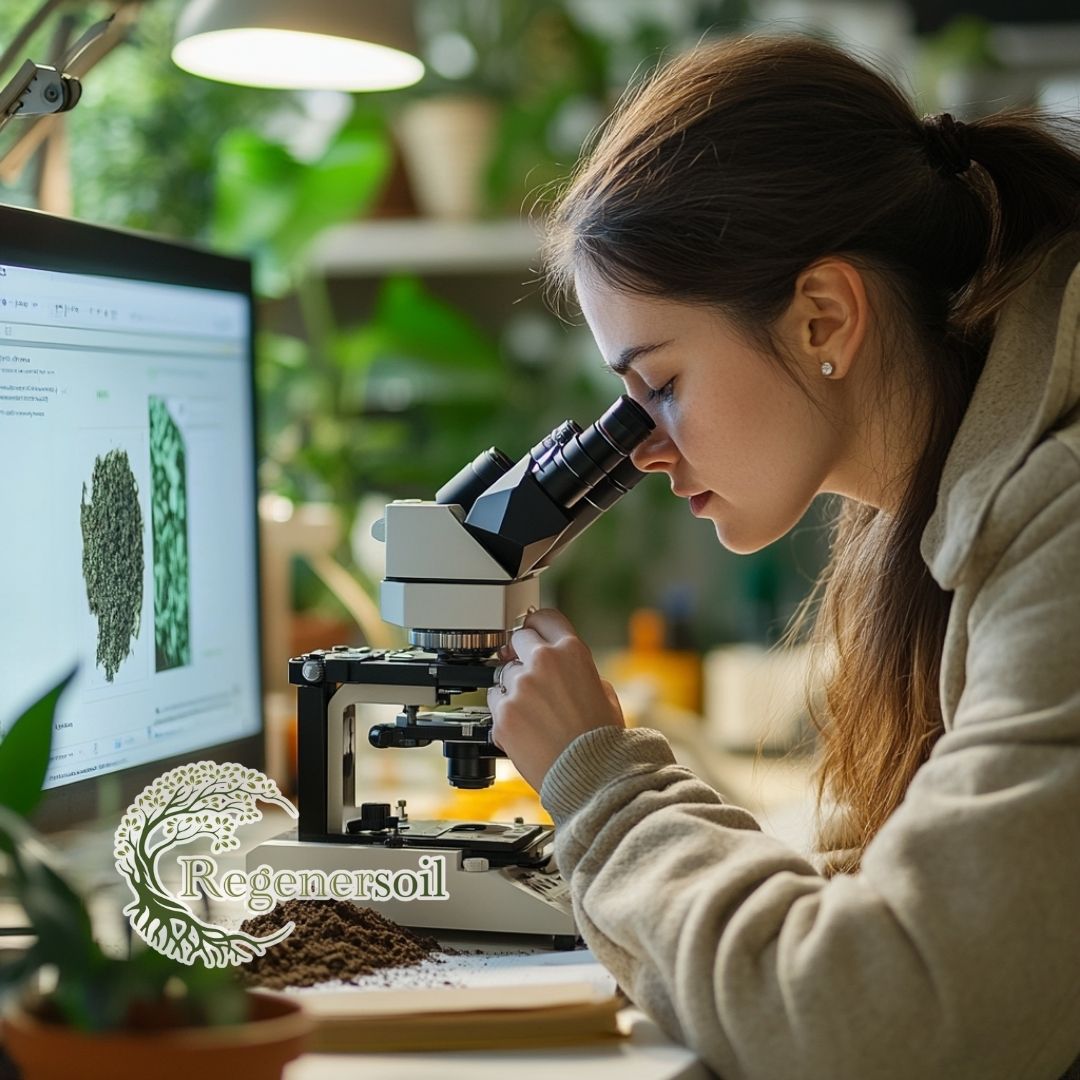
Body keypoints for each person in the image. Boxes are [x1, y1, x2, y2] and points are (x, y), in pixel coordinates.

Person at [485, 33, 1080, 1080]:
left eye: (659, 385)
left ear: (823, 318)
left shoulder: (1061, 521)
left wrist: (605, 792)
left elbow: (886, 1021)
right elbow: (886, 903)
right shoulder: (934, 512)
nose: (648, 447)